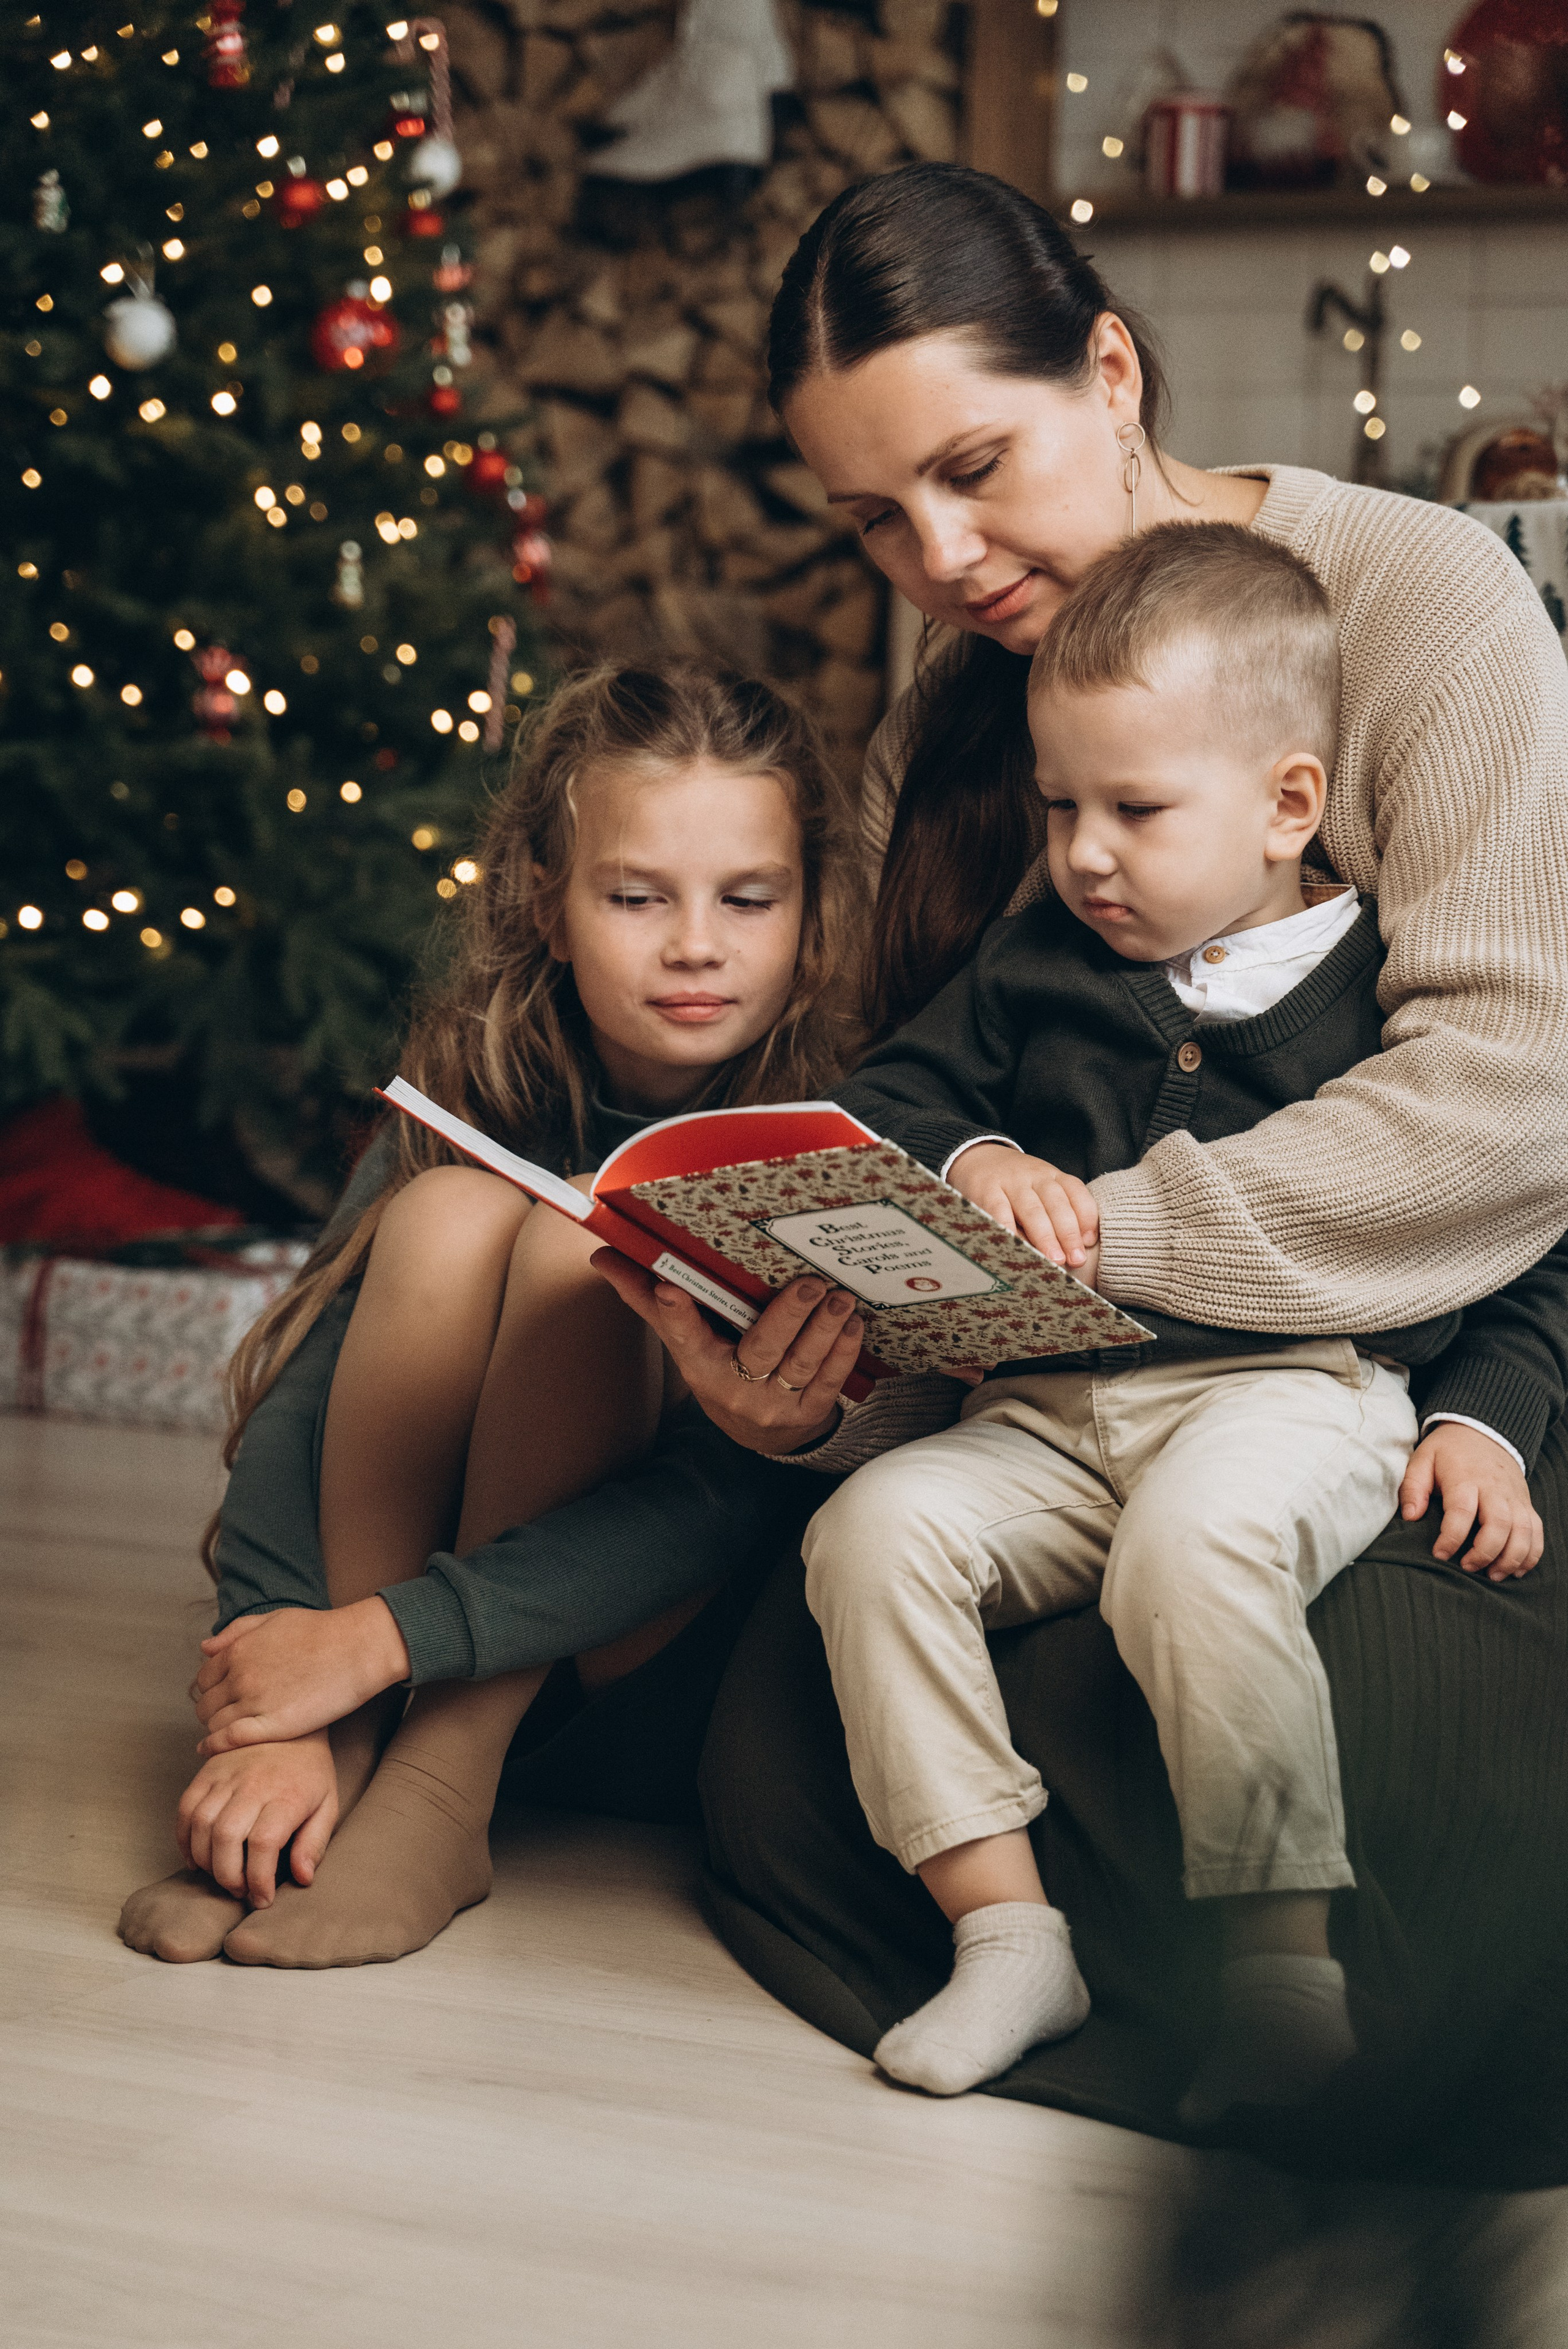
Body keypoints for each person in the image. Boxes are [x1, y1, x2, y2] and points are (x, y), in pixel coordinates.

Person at [592, 164, 1568, 2162]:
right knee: (794, 1711)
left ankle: (1280, 2002)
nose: (939, 556)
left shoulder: (1426, 604)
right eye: (875, 515)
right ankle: (1051, 1948)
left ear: (1110, 370)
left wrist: (1097, 1234)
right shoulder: (959, 740)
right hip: (1060, 1406)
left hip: (1417, 1367)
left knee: (1392, 1741)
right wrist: (815, 1385)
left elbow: (1506, 1110)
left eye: (975, 465)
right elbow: (932, 1131)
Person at [792, 521, 1553, 2119]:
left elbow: (1513, 1227)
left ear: (1289, 803)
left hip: (1295, 1390)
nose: (1082, 851)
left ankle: (1283, 1971)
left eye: (1135, 810)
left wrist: (1489, 1412)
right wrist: (976, 1151)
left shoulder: (1373, 986)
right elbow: (892, 1098)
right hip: (1052, 1418)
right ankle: (1005, 1928)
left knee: (1192, 1547)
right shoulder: (1036, 957)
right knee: (870, 1532)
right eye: (1062, 805)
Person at [117, 660, 866, 1970]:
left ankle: (441, 1790)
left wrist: (382, 1639)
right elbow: (309, 1386)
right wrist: (276, 1695)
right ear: (547, 904)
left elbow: (716, 1502)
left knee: (580, 1245)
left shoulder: (825, 1144)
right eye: (637, 897)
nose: (697, 943)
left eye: (749, 899)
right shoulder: (471, 1074)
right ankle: (344, 1754)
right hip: (386, 1647)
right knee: (447, 1215)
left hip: (640, 1667)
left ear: (809, 914)